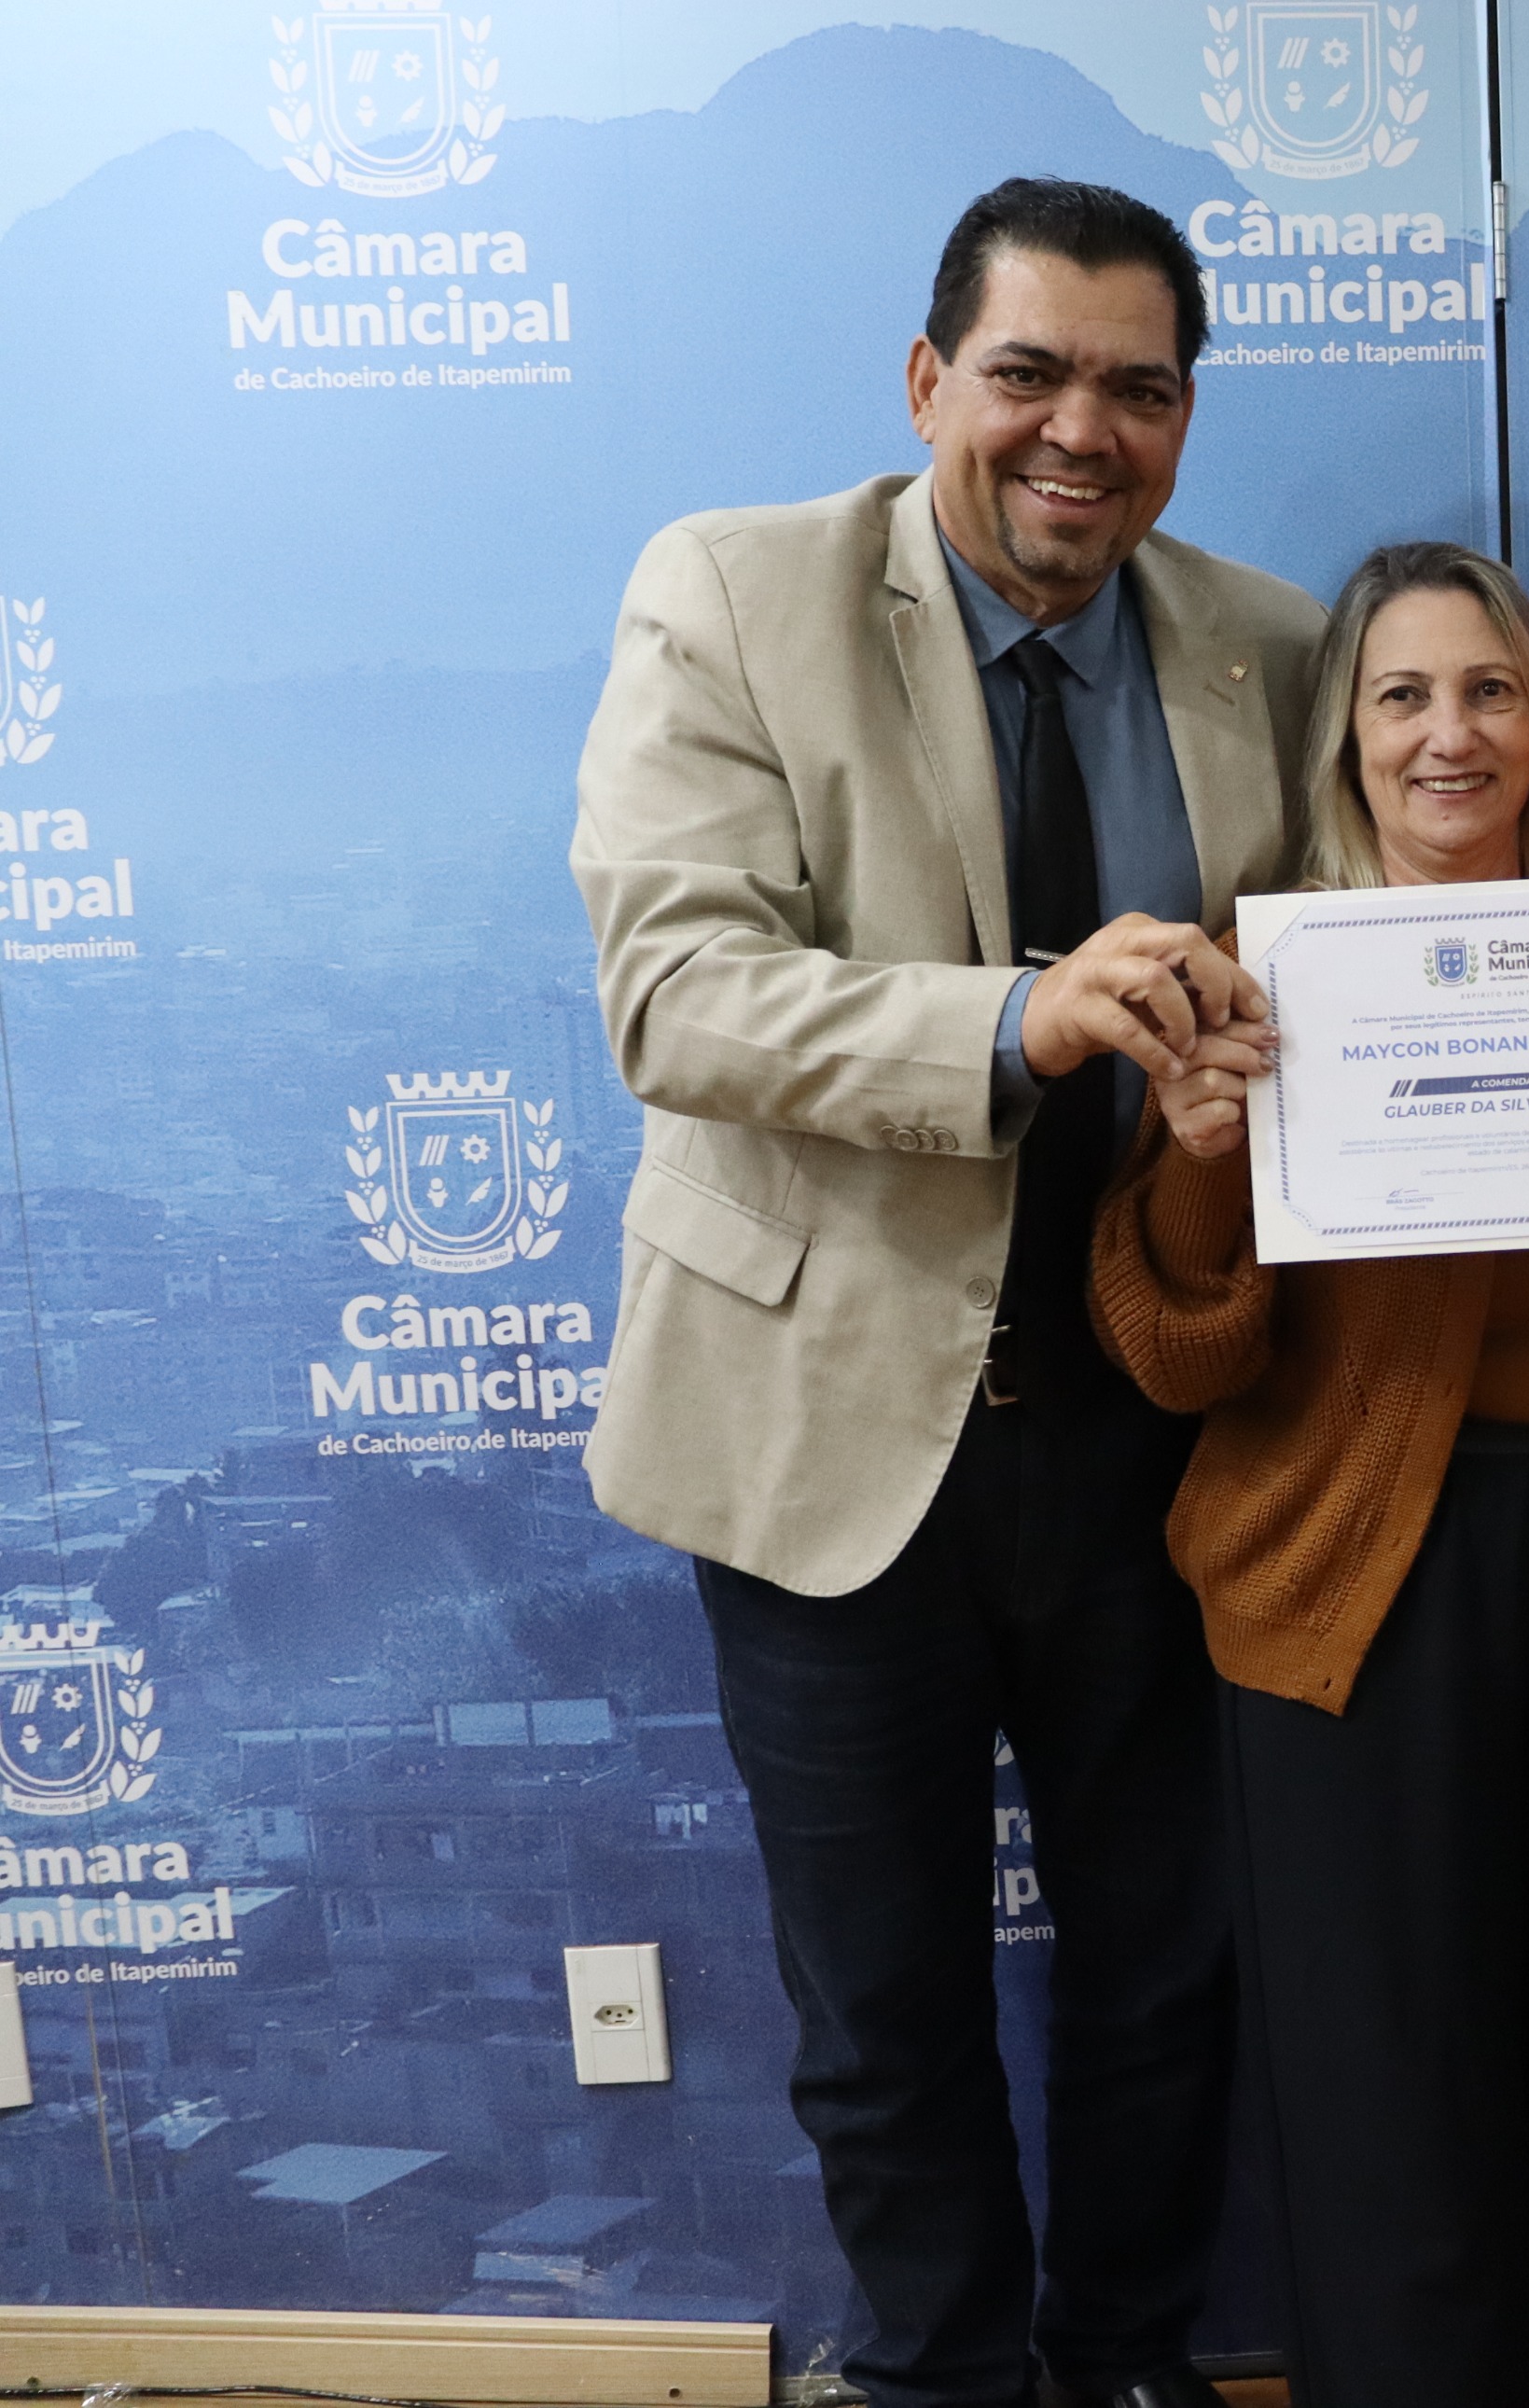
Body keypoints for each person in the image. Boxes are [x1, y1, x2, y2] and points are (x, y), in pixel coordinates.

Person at [571, 178, 1324, 2408]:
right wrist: (1017, 1021)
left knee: (1164, 1975)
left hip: (1156, 1435)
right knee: (882, 2005)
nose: (1081, 430)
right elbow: (677, 992)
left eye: (1138, 388)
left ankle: (1128, 2362)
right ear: (927, 383)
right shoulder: (734, 592)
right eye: (1029, 373)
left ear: (1185, 417)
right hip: (823, 1432)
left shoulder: (1271, 648)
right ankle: (938, 2375)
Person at [1086, 542, 1529, 2408]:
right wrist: (1208, 1153)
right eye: (1405, 696)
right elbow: (1176, 1353)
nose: (1453, 736)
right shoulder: (1262, 966)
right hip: (1356, 1582)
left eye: (1492, 690)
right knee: (1395, 2103)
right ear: (1342, 737)